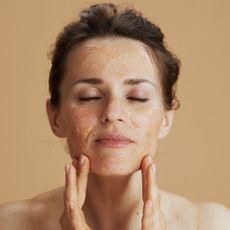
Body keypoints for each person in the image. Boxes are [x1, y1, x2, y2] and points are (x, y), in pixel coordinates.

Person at [0, 2, 229, 230]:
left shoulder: (213, 224)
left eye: (138, 97)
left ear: (166, 119)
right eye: (89, 97)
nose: (112, 113)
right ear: (55, 117)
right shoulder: (10, 223)